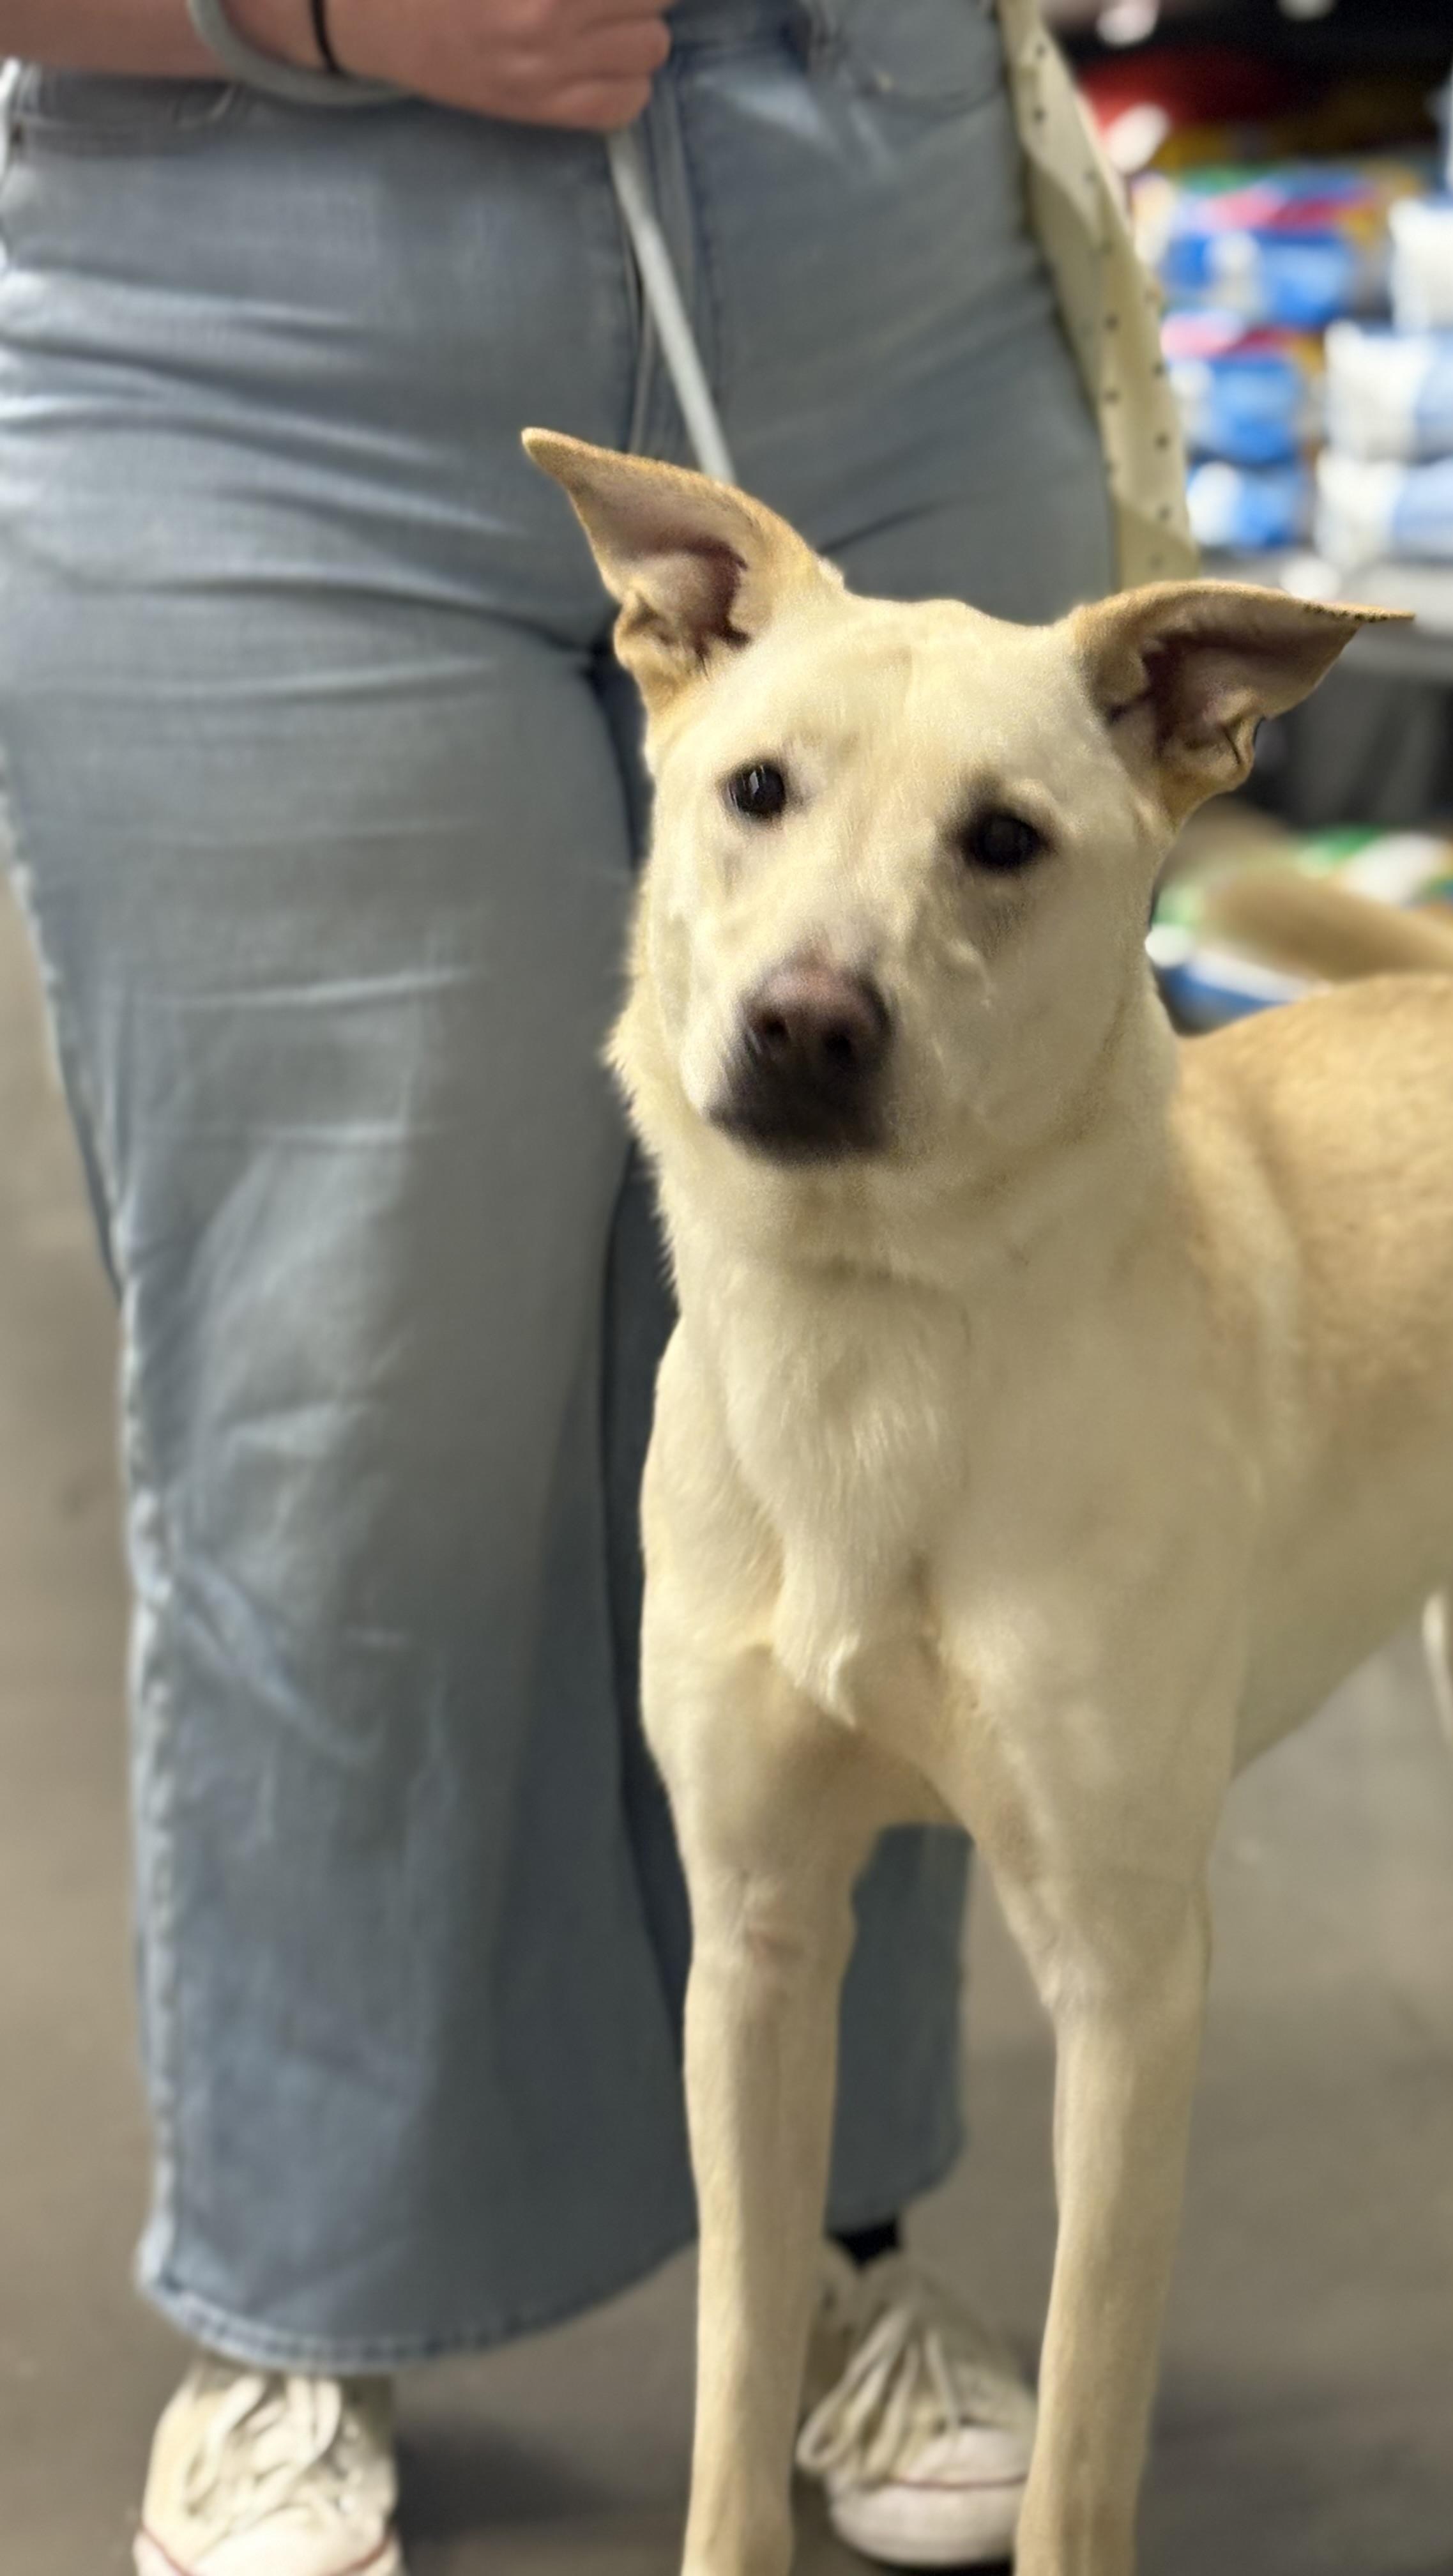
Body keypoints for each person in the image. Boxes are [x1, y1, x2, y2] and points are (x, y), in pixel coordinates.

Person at [0, 1, 1187, 2569]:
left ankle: (849, 2239)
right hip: (252, 302)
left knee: (936, 1405)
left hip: (885, 249)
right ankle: (302, 2290)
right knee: (335, 1409)